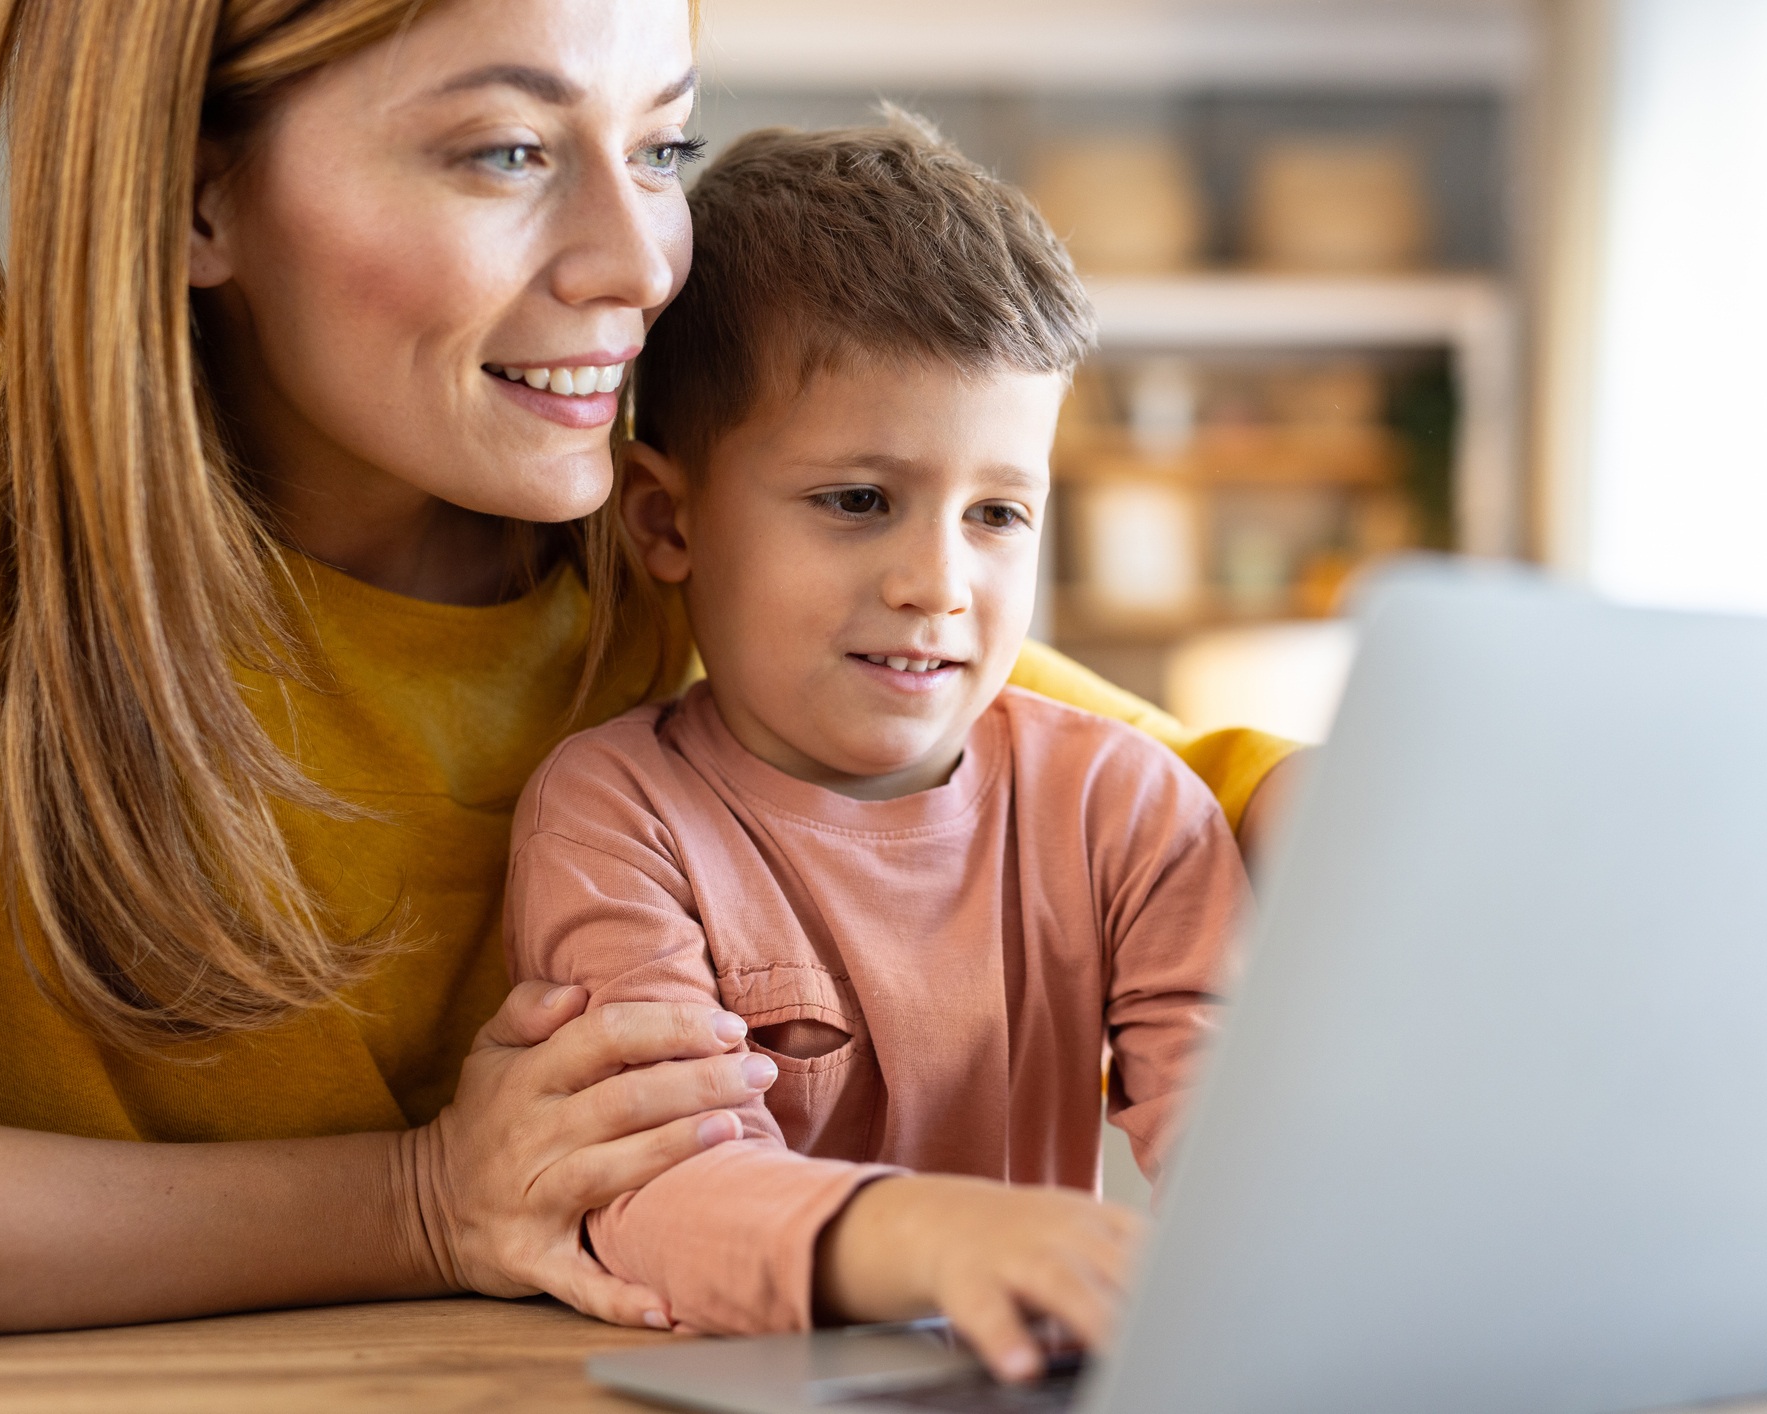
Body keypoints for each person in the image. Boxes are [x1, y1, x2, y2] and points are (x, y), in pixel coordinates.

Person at [0, 0, 1296, 1337]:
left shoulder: (675, 553)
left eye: (662, 149)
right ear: (198, 196)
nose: (639, 267)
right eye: (509, 152)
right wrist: (419, 1201)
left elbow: (1189, 784)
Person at [506, 117, 1251, 1383]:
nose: (937, 582)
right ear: (665, 520)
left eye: (997, 513)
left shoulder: (1128, 808)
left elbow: (1245, 1153)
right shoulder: (614, 813)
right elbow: (649, 1186)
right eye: (858, 501)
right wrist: (935, 1237)